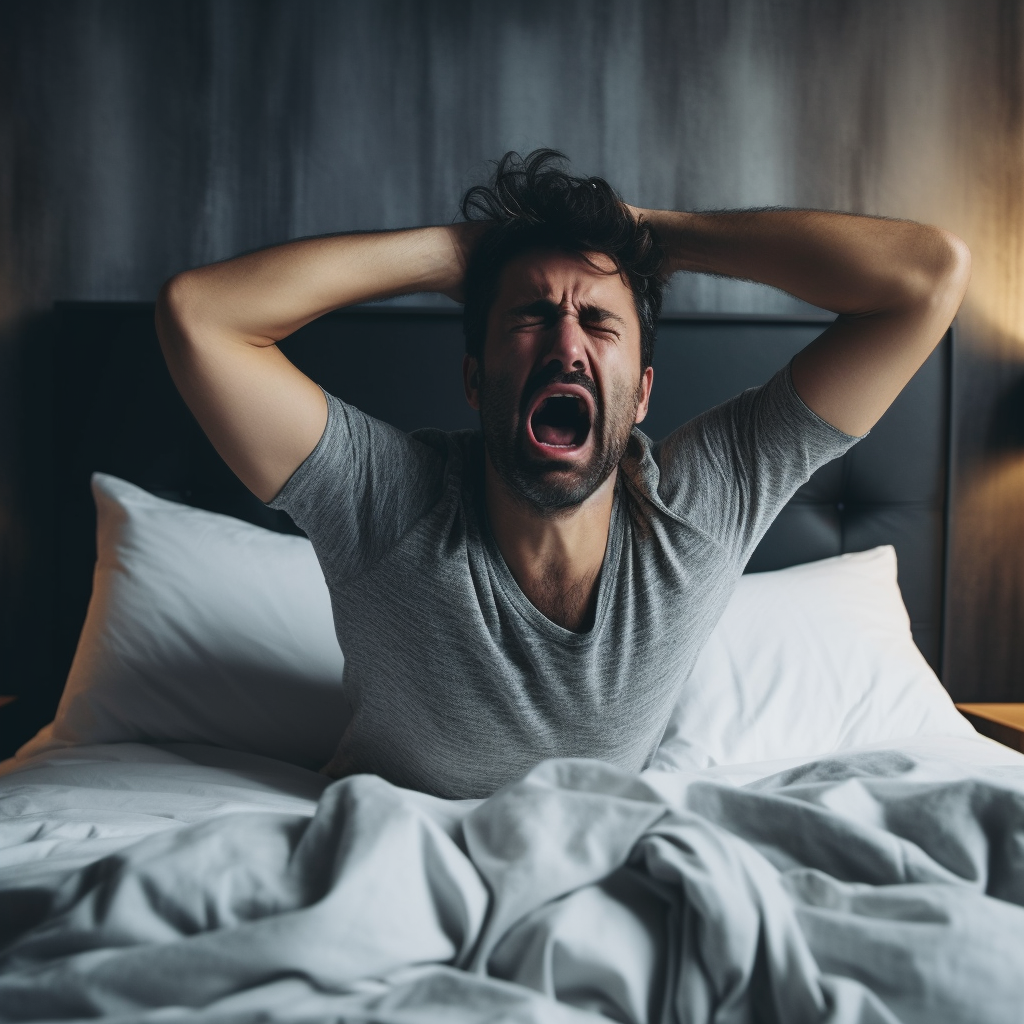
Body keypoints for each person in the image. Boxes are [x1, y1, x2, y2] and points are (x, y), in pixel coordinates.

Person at [155, 150, 970, 799]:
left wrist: (653, 236)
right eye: (533, 314)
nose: (568, 343)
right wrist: (458, 256)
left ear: (642, 391)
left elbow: (928, 280)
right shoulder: (386, 499)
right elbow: (201, 317)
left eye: (600, 320)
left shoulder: (699, 506)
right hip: (396, 858)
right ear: (475, 380)